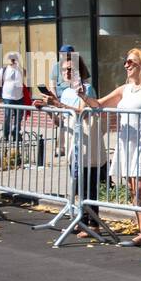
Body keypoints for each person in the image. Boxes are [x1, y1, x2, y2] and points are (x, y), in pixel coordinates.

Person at [78, 47, 141, 248]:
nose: (126, 65)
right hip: (127, 143)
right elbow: (98, 104)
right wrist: (84, 97)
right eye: (125, 62)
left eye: (131, 62)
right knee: (135, 191)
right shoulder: (124, 89)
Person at [36, 52, 106, 236]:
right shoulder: (65, 92)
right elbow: (60, 120)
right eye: (63, 70)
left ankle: (94, 224)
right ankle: (80, 220)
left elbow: (83, 113)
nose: (66, 73)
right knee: (77, 184)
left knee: (89, 185)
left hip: (86, 144)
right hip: (71, 143)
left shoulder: (87, 89)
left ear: (78, 70)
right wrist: (48, 108)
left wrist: (58, 104)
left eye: (70, 69)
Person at [0, 51, 26, 141]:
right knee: (7, 116)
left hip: (19, 97)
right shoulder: (4, 70)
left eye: (14, 58)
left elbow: (27, 75)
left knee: (18, 117)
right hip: (8, 97)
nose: (12, 60)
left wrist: (19, 64)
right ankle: (5, 134)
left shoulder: (19, 69)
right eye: (11, 58)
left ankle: (16, 133)